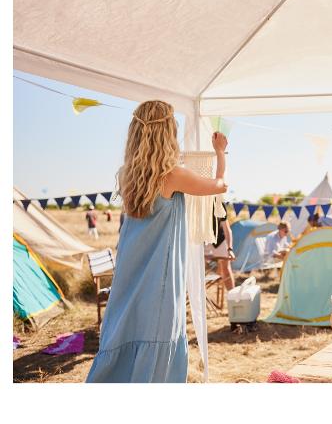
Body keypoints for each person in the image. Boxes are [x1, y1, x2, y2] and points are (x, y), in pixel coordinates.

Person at [86, 100, 228, 383]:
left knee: (126, 328)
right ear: (167, 133)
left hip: (130, 269)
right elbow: (219, 185)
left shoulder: (128, 175)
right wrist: (220, 153)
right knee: (156, 333)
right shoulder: (172, 175)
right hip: (157, 278)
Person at [210, 209, 236, 291]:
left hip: (220, 240)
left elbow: (227, 229)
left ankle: (232, 296)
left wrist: (229, 248)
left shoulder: (219, 203)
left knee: (225, 269)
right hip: (205, 241)